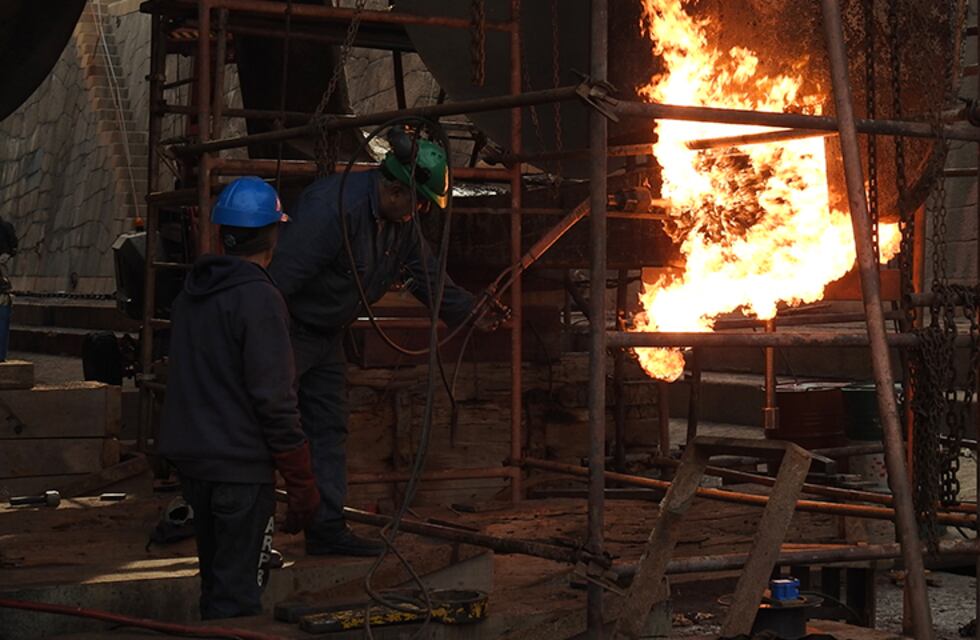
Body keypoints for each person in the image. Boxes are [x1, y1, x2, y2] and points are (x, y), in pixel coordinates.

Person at [269, 135, 497, 556]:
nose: (423, 210)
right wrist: (264, 347)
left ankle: (326, 529)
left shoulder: (399, 225)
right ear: (394, 189)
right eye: (420, 201)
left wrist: (469, 311)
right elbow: (279, 281)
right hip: (288, 331)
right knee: (266, 423)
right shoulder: (333, 210)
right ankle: (250, 528)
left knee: (328, 427)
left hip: (327, 335)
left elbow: (425, 274)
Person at [158, 176, 320, 619]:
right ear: (274, 232)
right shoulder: (258, 298)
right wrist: (301, 480)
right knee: (239, 600)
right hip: (240, 474)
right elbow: (275, 399)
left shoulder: (192, 295)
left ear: (221, 233)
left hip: (197, 468)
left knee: (217, 584)